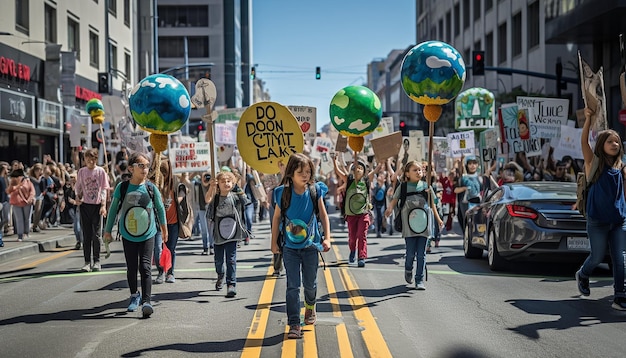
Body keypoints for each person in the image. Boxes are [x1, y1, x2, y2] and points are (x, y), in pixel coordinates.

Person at [271, 153, 331, 339]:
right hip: (290, 248)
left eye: (308, 171)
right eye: (300, 172)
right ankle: (294, 323)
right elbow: (276, 218)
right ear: (290, 173)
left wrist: (327, 238)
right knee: (292, 286)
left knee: (310, 285)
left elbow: (323, 215)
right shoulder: (282, 193)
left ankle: (310, 306)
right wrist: (273, 243)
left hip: (311, 246)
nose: (305, 175)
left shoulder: (315, 191)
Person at [104, 152, 167, 318]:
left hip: (148, 233)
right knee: (132, 267)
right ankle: (134, 295)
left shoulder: (151, 188)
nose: (145, 169)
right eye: (141, 166)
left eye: (147, 166)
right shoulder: (122, 187)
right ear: (131, 168)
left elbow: (160, 209)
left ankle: (147, 301)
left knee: (145, 267)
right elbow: (113, 210)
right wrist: (107, 230)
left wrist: (164, 228)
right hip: (128, 233)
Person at [575, 107, 626, 310]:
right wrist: (588, 119)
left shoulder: (622, 166)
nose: (614, 144)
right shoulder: (593, 163)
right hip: (597, 221)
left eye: (617, 141)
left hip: (619, 220)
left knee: (620, 258)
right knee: (596, 257)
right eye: (609, 141)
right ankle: (583, 274)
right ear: (601, 145)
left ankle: (620, 296)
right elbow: (584, 142)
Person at [385, 161, 442, 290]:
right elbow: (394, 201)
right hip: (409, 226)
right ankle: (408, 268)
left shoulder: (427, 186)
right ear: (407, 173)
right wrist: (389, 210)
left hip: (424, 225)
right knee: (410, 253)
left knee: (421, 254)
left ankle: (419, 279)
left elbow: (433, 205)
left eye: (420, 170)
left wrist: (438, 220)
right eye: (414, 170)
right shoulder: (403, 187)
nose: (418, 172)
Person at [206, 170, 250, 297]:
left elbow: (246, 201)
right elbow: (209, 213)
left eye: (229, 181)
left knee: (231, 260)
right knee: (218, 261)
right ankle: (220, 274)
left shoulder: (236, 197)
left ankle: (231, 284)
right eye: (223, 181)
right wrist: (211, 187)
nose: (226, 183)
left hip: (233, 233)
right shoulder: (215, 199)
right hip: (218, 234)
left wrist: (237, 187)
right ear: (218, 184)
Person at [334, 158, 375, 267]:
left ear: (364, 171)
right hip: (351, 214)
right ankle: (352, 251)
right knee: (353, 237)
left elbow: (375, 171)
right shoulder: (349, 180)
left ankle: (361, 256)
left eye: (361, 168)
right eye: (356, 168)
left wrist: (382, 162)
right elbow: (338, 172)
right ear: (352, 170)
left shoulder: (366, 181)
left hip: (363, 213)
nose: (358, 170)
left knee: (362, 235)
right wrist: (334, 161)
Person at [75, 148, 110, 272]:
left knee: (96, 235)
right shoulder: (82, 172)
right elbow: (78, 187)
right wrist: (77, 197)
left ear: (96, 159)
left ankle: (96, 261)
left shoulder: (101, 172)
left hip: (97, 205)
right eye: (87, 158)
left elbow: (104, 189)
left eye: (92, 158)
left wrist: (103, 205)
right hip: (85, 205)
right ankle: (86, 262)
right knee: (86, 235)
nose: (90, 161)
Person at [6, 168, 35, 242]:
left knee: (27, 219)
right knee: (19, 219)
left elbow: (32, 191)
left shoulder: (28, 182)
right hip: (16, 202)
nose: (16, 178)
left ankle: (26, 232)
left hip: (27, 203)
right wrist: (13, 185)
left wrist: (29, 199)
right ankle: (20, 235)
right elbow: (8, 191)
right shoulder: (13, 182)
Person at [61, 172, 83, 250]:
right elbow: (66, 198)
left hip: (80, 209)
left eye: (74, 179)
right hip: (72, 209)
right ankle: (78, 241)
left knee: (79, 226)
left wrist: (75, 202)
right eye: (71, 179)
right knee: (76, 227)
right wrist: (63, 203)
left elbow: (83, 199)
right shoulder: (68, 189)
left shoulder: (80, 188)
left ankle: (82, 241)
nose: (72, 181)